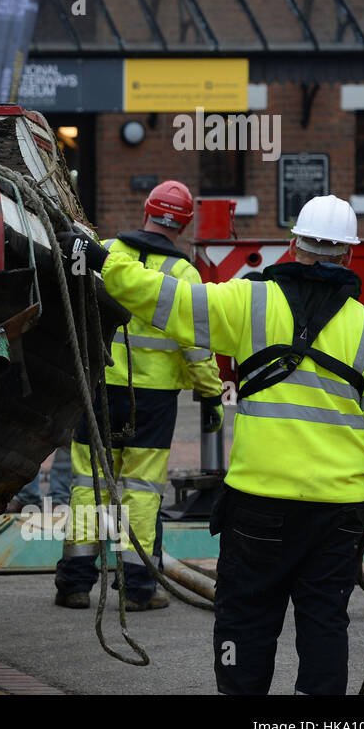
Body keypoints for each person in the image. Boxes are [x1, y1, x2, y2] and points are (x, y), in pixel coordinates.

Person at [58, 194, 364, 695]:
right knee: (325, 628)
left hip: (257, 511)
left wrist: (102, 258)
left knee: (245, 625)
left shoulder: (248, 303)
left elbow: (166, 299)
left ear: (293, 245)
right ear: (350, 256)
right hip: (338, 516)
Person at [54, 180, 223, 612]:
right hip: (152, 401)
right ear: (184, 224)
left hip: (98, 388)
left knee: (89, 483)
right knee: (142, 490)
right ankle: (138, 589)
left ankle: (75, 584)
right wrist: (210, 395)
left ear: (146, 210)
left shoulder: (106, 251)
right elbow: (197, 344)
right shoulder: (184, 275)